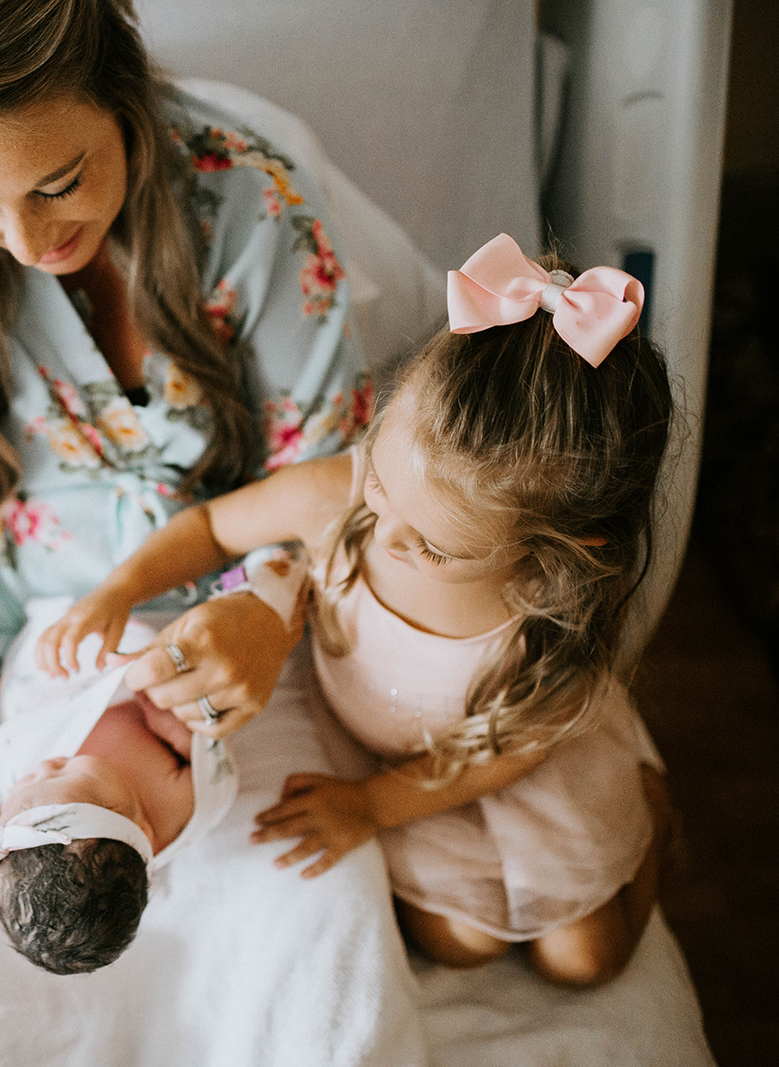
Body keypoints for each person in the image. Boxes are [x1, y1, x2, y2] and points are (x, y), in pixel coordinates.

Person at [0, 0, 373, 874]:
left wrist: (271, 603)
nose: (27, 243)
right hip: (1, 608)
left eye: (58, 184)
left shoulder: (252, 201)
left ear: (125, 99)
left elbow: (330, 466)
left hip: (228, 574)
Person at [40, 234, 677, 987]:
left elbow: (501, 757)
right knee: (456, 939)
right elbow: (212, 528)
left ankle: (654, 811)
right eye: (378, 483)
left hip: (481, 761)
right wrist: (121, 589)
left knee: (582, 958)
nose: (387, 532)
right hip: (392, 747)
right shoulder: (336, 496)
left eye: (435, 548)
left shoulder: (552, 614)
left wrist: (372, 804)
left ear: (561, 547)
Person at [0, 549, 305, 974]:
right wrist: (159, 715)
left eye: (23, 794)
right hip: (136, 679)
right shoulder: (173, 809)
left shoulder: (34, 794)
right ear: (139, 827)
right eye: (63, 772)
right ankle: (255, 578)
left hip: (72, 697)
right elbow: (202, 750)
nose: (42, 767)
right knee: (199, 645)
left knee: (48, 665)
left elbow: (16, 751)